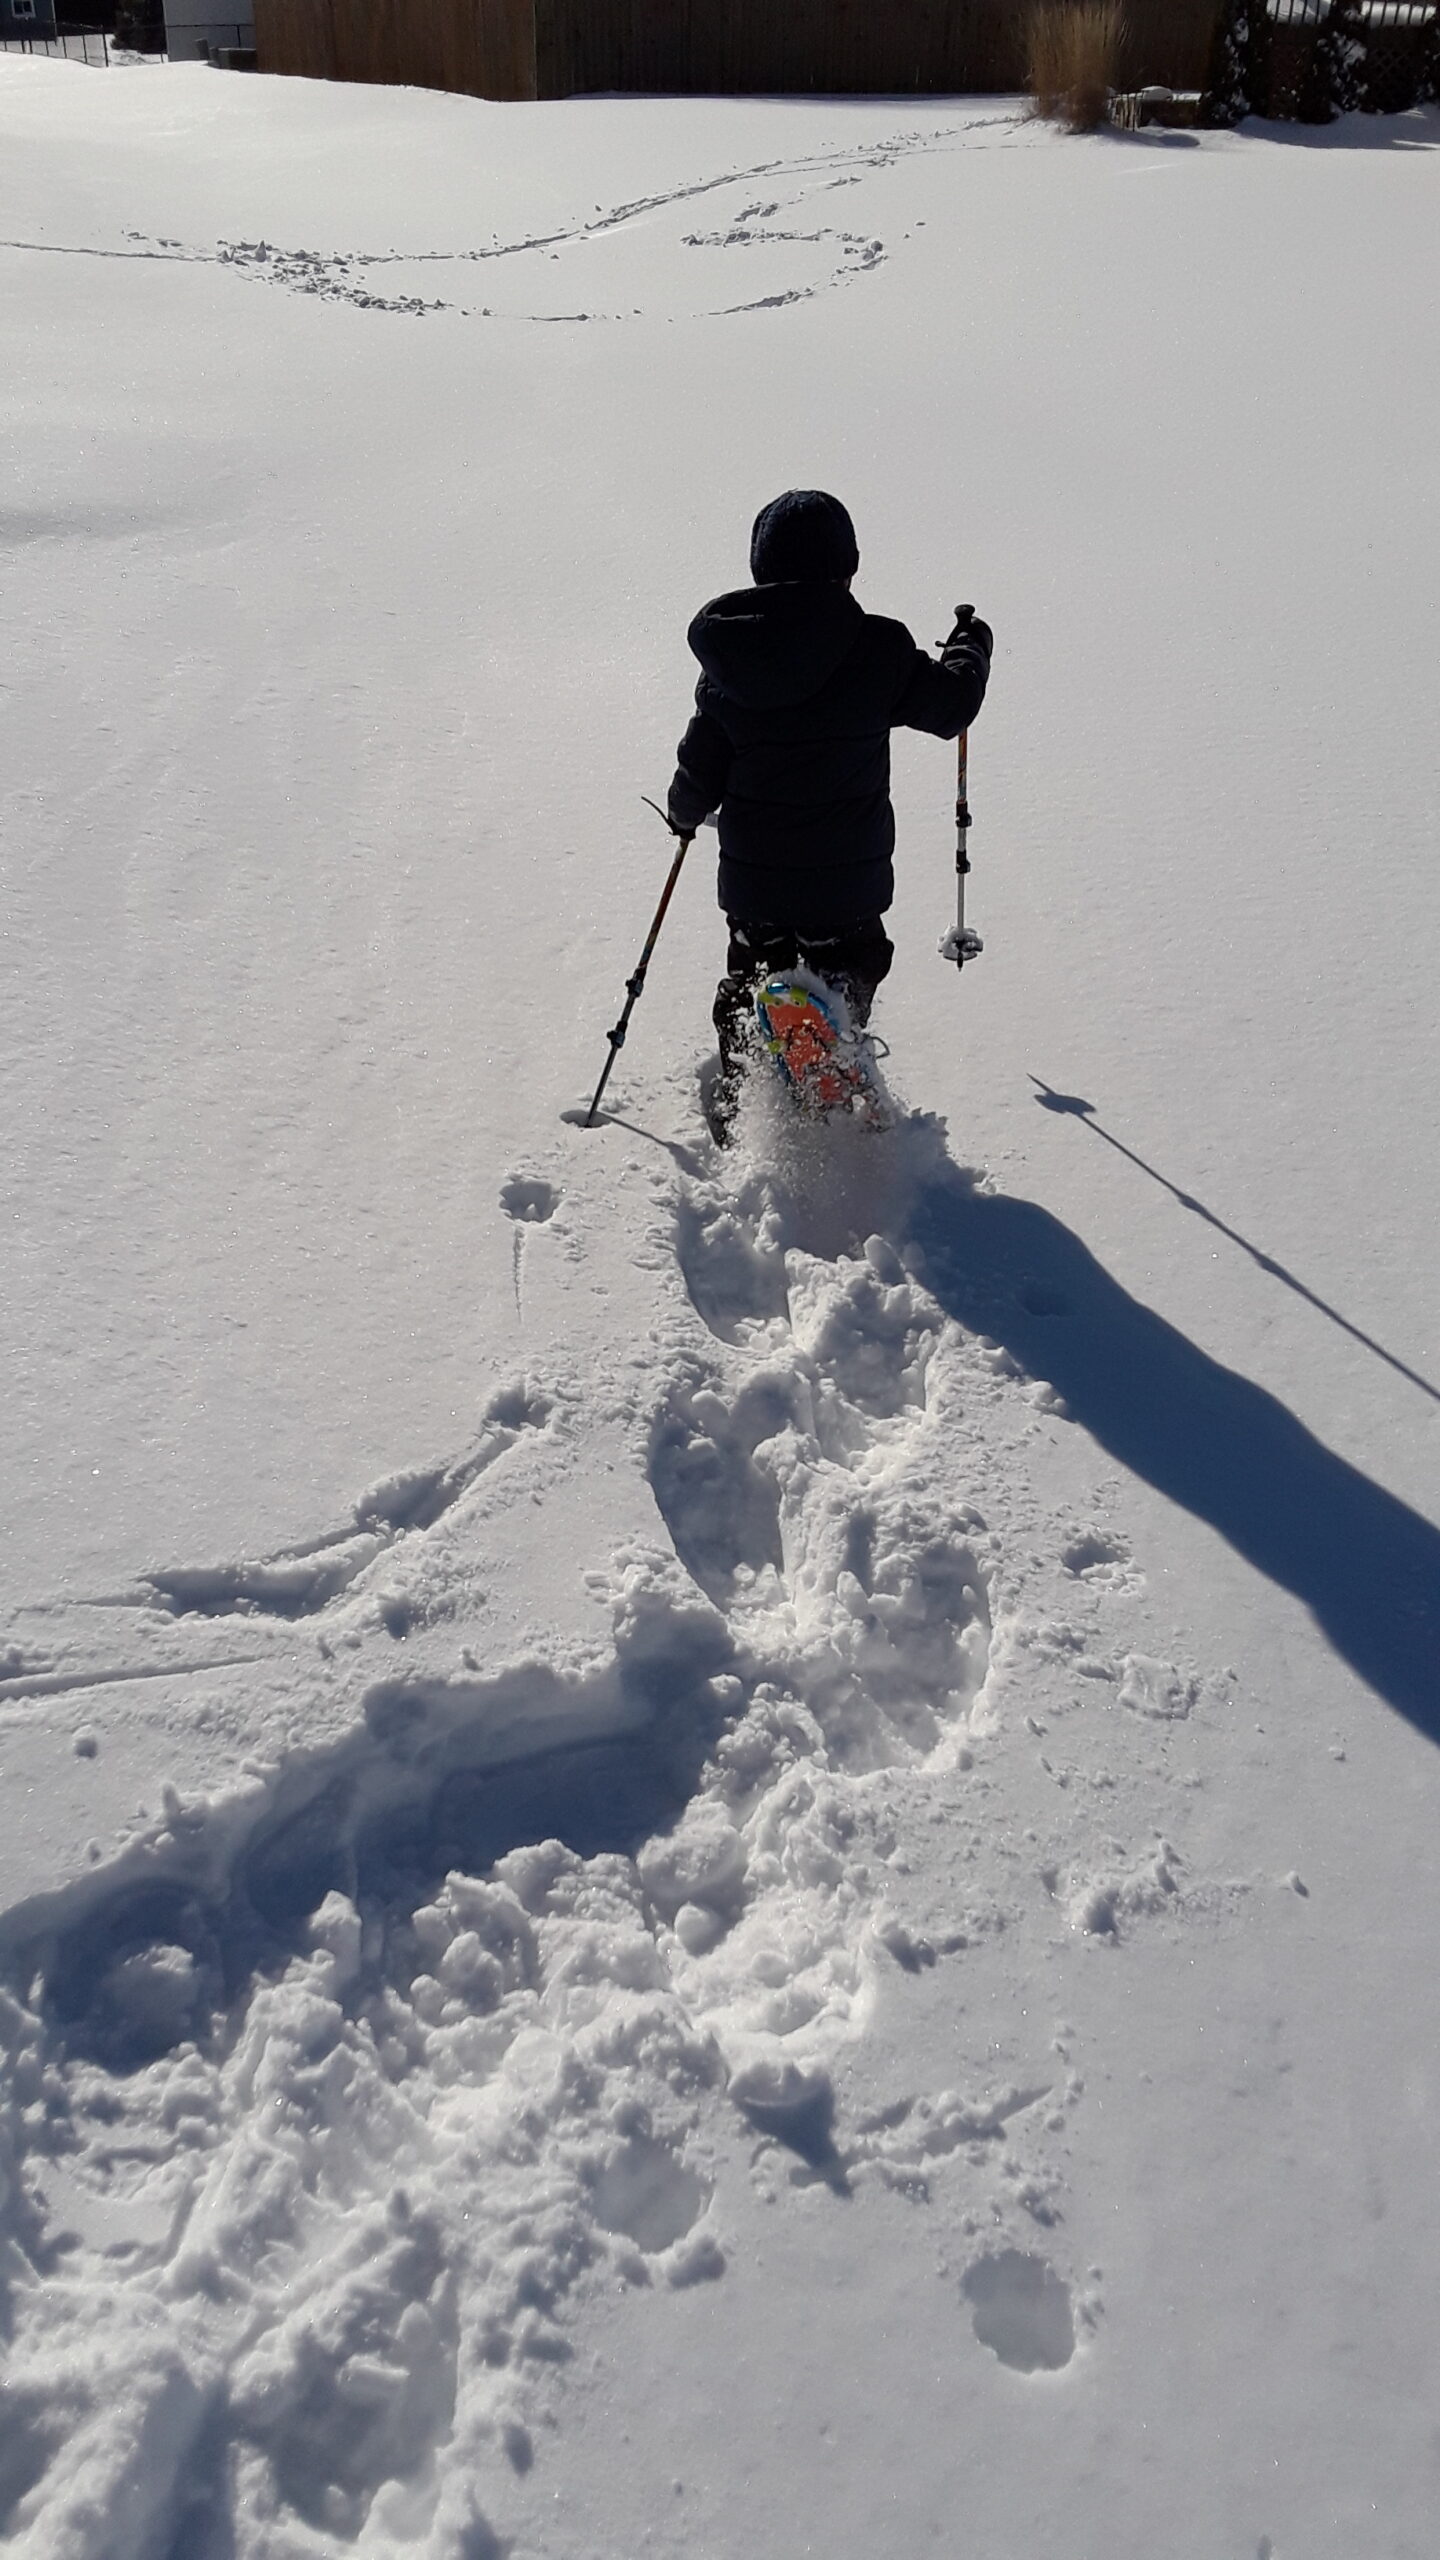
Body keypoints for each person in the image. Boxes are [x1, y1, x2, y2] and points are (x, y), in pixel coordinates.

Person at [667, 488, 992, 1139]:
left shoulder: (732, 663)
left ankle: (745, 1093)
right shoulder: (878, 651)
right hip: (846, 884)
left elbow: (700, 768)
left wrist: (682, 814)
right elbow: (951, 706)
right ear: (849, 566)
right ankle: (830, 1022)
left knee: (750, 977)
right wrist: (970, 647)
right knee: (851, 960)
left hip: (756, 884)